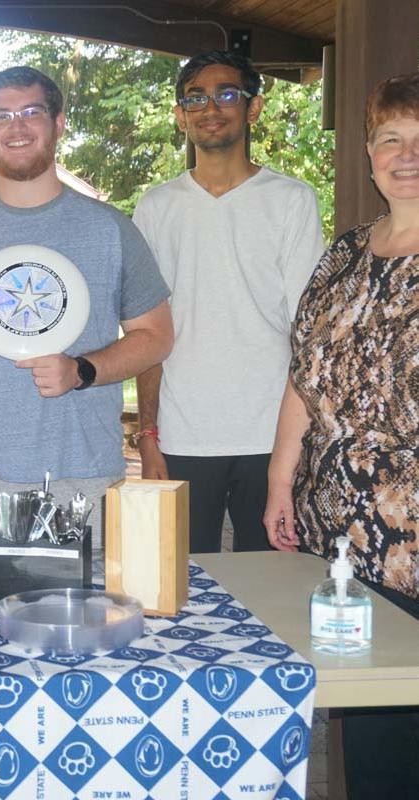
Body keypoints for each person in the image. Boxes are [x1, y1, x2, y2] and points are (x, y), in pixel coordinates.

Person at [0, 66, 173, 546]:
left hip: (86, 475)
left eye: (31, 112)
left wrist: (82, 370)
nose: (17, 126)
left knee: (84, 617)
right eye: (1, 116)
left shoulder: (111, 230)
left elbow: (156, 336)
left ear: (59, 122)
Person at [264, 72, 419, 797]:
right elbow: (306, 374)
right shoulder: (343, 255)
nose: (406, 154)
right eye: (392, 138)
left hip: (416, 538)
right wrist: (279, 482)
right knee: (366, 714)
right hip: (343, 537)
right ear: (368, 152)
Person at [132, 50, 324, 554]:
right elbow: (145, 332)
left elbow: (309, 334)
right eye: (195, 97)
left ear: (253, 108)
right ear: (180, 115)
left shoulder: (291, 200)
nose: (210, 107)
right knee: (179, 585)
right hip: (182, 435)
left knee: (273, 584)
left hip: (271, 435)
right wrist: (149, 432)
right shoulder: (156, 208)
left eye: (226, 94)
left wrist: (300, 439)